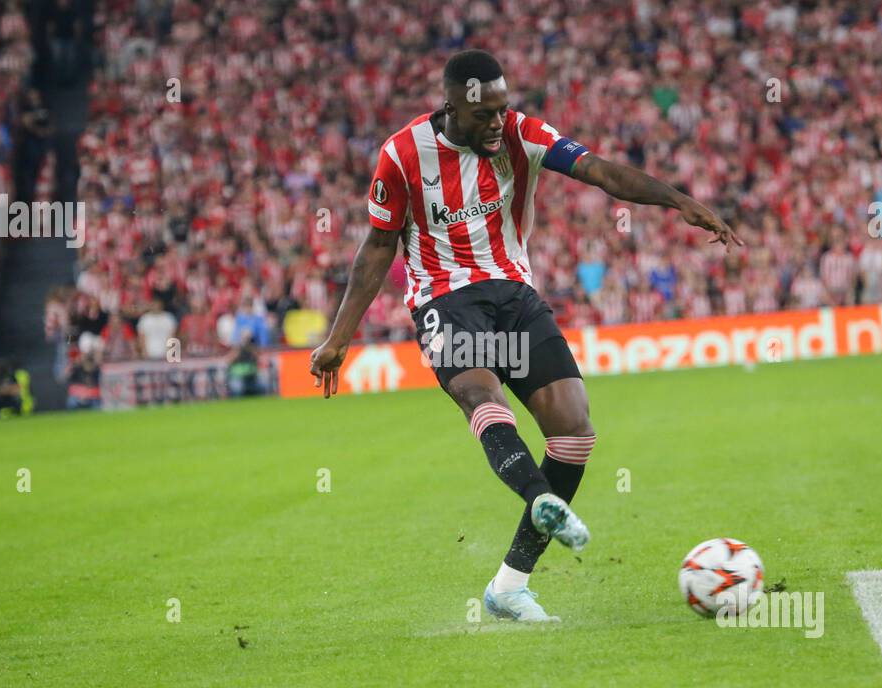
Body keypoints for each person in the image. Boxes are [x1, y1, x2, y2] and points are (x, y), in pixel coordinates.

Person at [308, 49, 739, 623]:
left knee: (574, 427)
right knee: (482, 394)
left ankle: (510, 585)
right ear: (454, 105)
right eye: (484, 113)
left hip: (513, 293)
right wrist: (339, 337)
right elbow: (379, 246)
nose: (496, 123)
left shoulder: (522, 133)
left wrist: (678, 200)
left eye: (502, 110)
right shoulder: (402, 155)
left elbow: (602, 172)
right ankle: (542, 501)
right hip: (444, 297)